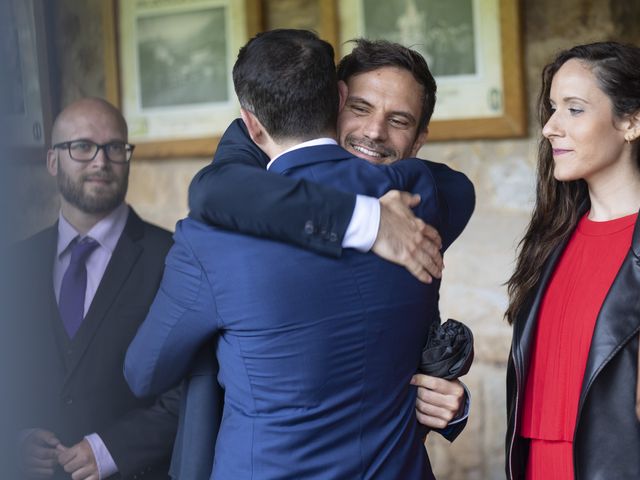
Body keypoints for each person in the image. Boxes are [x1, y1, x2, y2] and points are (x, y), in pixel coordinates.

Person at [125, 29, 474, 479]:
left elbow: (143, 372)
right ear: (336, 99)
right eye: (360, 108)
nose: (373, 131)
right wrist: (362, 217)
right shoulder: (423, 201)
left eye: (399, 120)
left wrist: (449, 399)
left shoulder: (214, 233)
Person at [8, 98, 178, 480]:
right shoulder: (13, 265)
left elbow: (190, 393)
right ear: (53, 161)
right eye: (82, 147)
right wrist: (14, 440)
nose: (101, 162)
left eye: (115, 148)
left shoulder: (173, 258)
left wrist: (110, 449)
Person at [505, 41, 640, 480]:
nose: (549, 127)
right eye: (552, 108)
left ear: (631, 122)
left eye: (574, 109)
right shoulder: (550, 240)